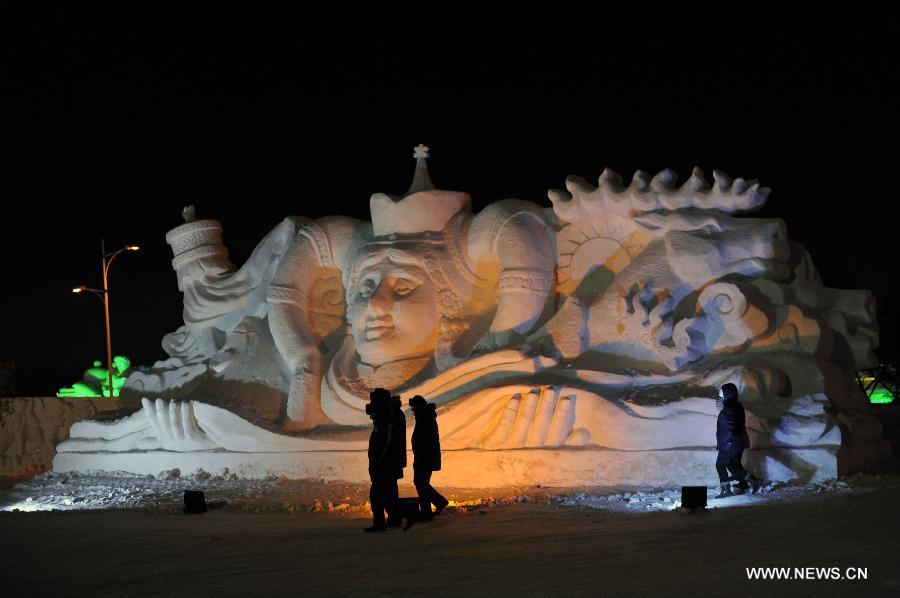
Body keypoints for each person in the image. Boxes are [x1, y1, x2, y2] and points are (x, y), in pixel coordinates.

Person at [364, 388, 406, 532]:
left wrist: (377, 462)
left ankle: (382, 522)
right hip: (387, 464)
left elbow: (385, 444)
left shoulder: (387, 419)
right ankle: (393, 519)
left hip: (384, 465)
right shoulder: (388, 416)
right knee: (389, 493)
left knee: (378, 494)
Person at [715, 383, 763, 498]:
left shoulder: (730, 409)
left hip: (730, 442)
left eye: (721, 395)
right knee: (734, 466)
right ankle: (754, 481)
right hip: (736, 441)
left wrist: (727, 443)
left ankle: (726, 490)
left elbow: (730, 427)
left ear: (727, 395)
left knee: (720, 465)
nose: (719, 397)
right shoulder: (735, 406)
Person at [409, 395, 449, 520]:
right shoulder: (424, 418)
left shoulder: (426, 419)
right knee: (421, 483)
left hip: (425, 458)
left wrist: (424, 456)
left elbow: (430, 440)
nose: (413, 411)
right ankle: (429, 508)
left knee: (421, 482)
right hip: (423, 457)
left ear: (419, 407)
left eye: (414, 407)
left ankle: (433, 506)